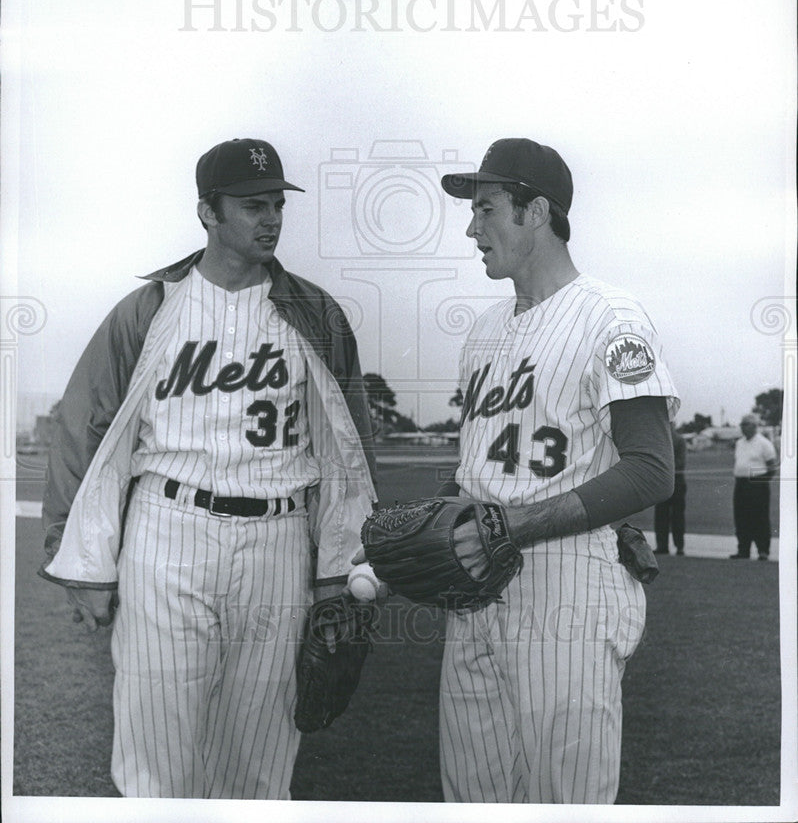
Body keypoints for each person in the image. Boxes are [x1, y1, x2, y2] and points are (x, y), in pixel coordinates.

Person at [40, 138, 377, 799]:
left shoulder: (315, 312)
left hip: (278, 537)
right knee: (155, 750)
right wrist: (78, 557)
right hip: (168, 529)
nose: (271, 218)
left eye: (278, 203)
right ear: (207, 212)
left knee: (259, 756)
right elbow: (86, 428)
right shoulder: (149, 308)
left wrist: (344, 566)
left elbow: (349, 448)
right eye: (253, 205)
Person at [437, 138, 679, 804]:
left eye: (486, 209)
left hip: (567, 584)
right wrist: (435, 527)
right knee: (471, 799)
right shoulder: (483, 333)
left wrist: (513, 524)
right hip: (478, 584)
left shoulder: (612, 318)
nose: (472, 227)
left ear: (536, 211)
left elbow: (652, 470)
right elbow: (477, 469)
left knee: (562, 801)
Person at [729, 413, 777, 560]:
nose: (742, 427)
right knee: (741, 517)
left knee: (759, 517)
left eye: (745, 424)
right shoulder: (739, 443)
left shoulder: (764, 443)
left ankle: (763, 550)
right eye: (742, 425)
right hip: (741, 483)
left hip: (757, 484)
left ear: (754, 426)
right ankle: (743, 549)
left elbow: (772, 466)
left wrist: (761, 480)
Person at [654, 424, 687, 555]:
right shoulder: (658, 440)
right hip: (662, 483)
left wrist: (663, 467)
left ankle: (679, 546)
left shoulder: (679, 440)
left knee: (677, 516)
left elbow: (681, 462)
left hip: (676, 482)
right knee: (661, 516)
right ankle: (662, 545)